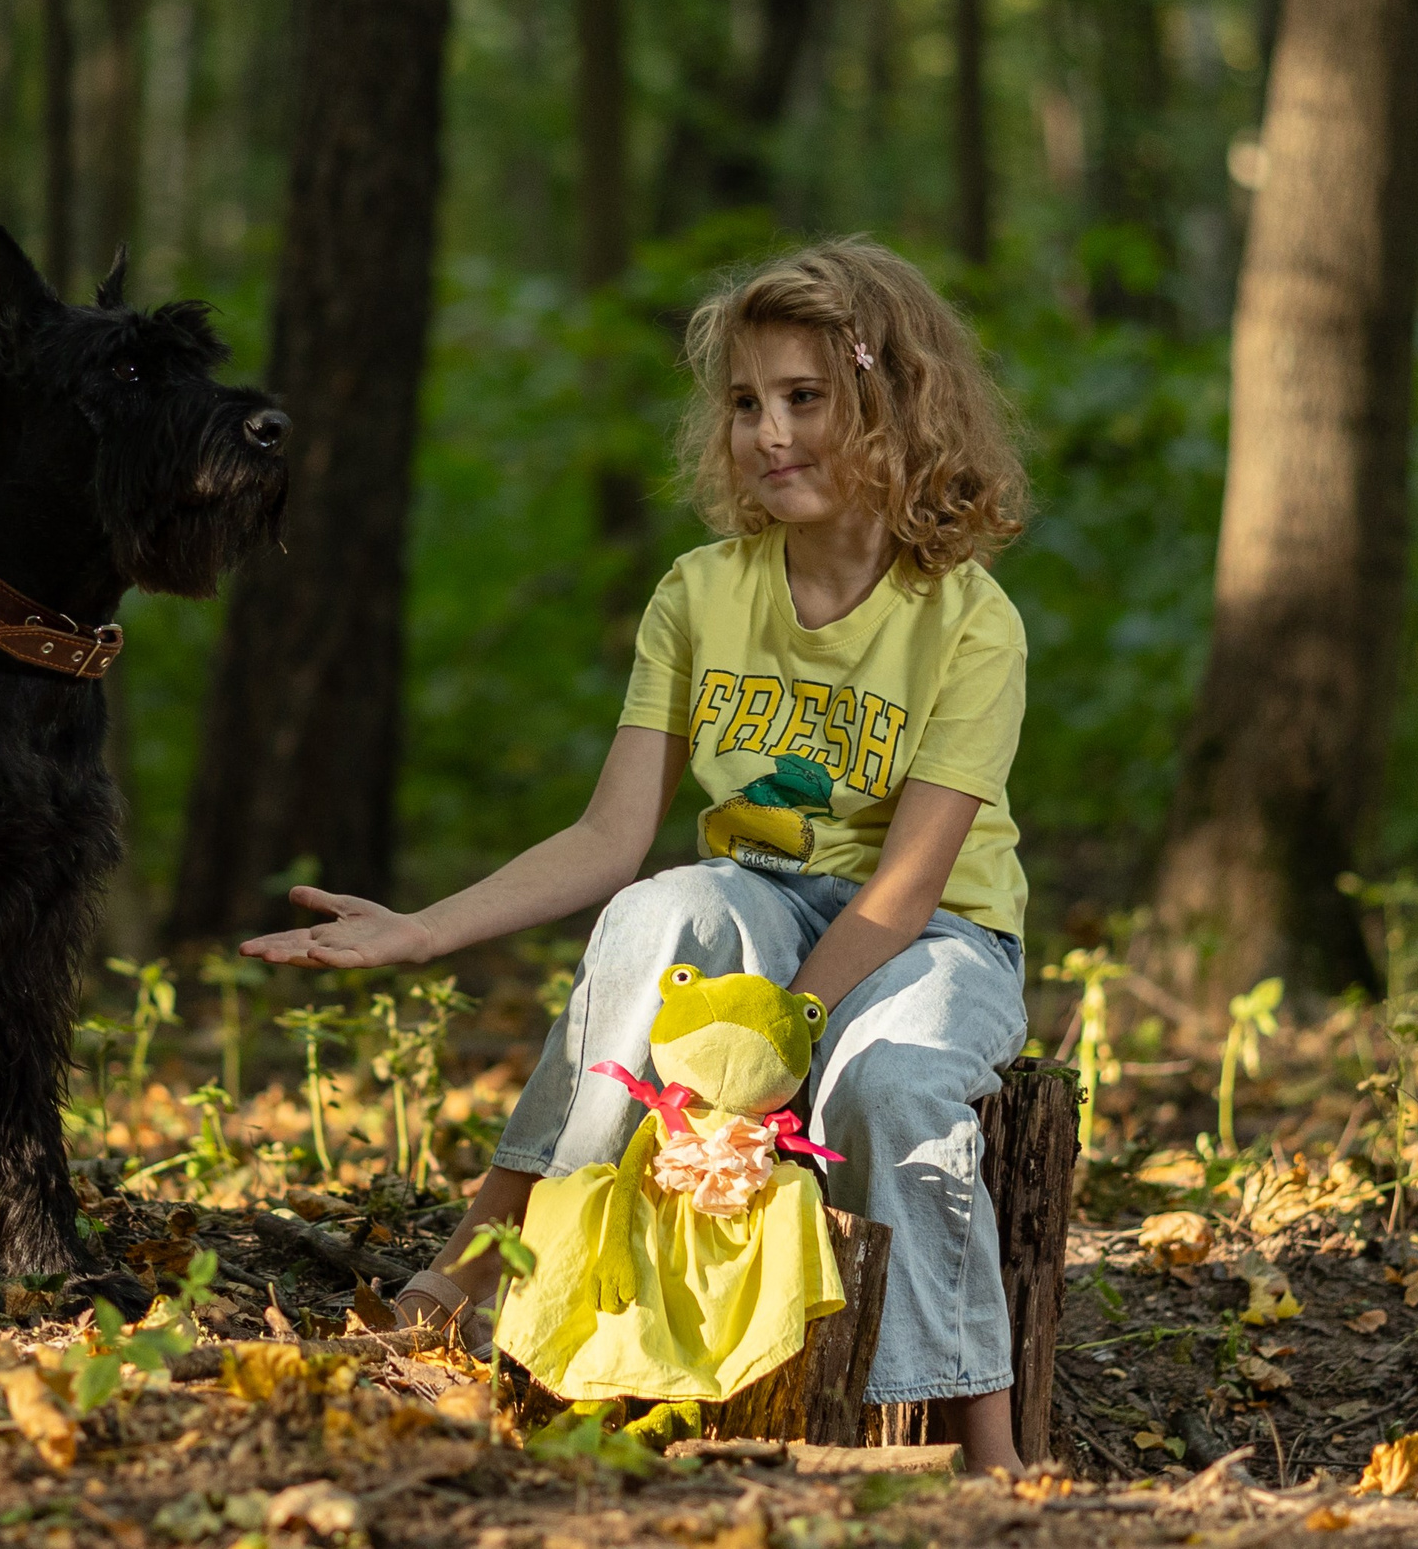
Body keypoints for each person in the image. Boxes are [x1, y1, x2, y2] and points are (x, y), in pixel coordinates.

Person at [238, 238, 1034, 1475]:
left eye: (805, 398)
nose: (769, 433)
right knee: (667, 910)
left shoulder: (969, 619)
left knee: (886, 1089)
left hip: (931, 939)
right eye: (744, 403)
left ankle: (981, 1444)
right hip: (756, 905)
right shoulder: (700, 594)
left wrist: (781, 1034)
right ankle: (486, 1273)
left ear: (894, 402)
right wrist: (424, 929)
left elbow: (907, 886)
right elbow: (610, 840)